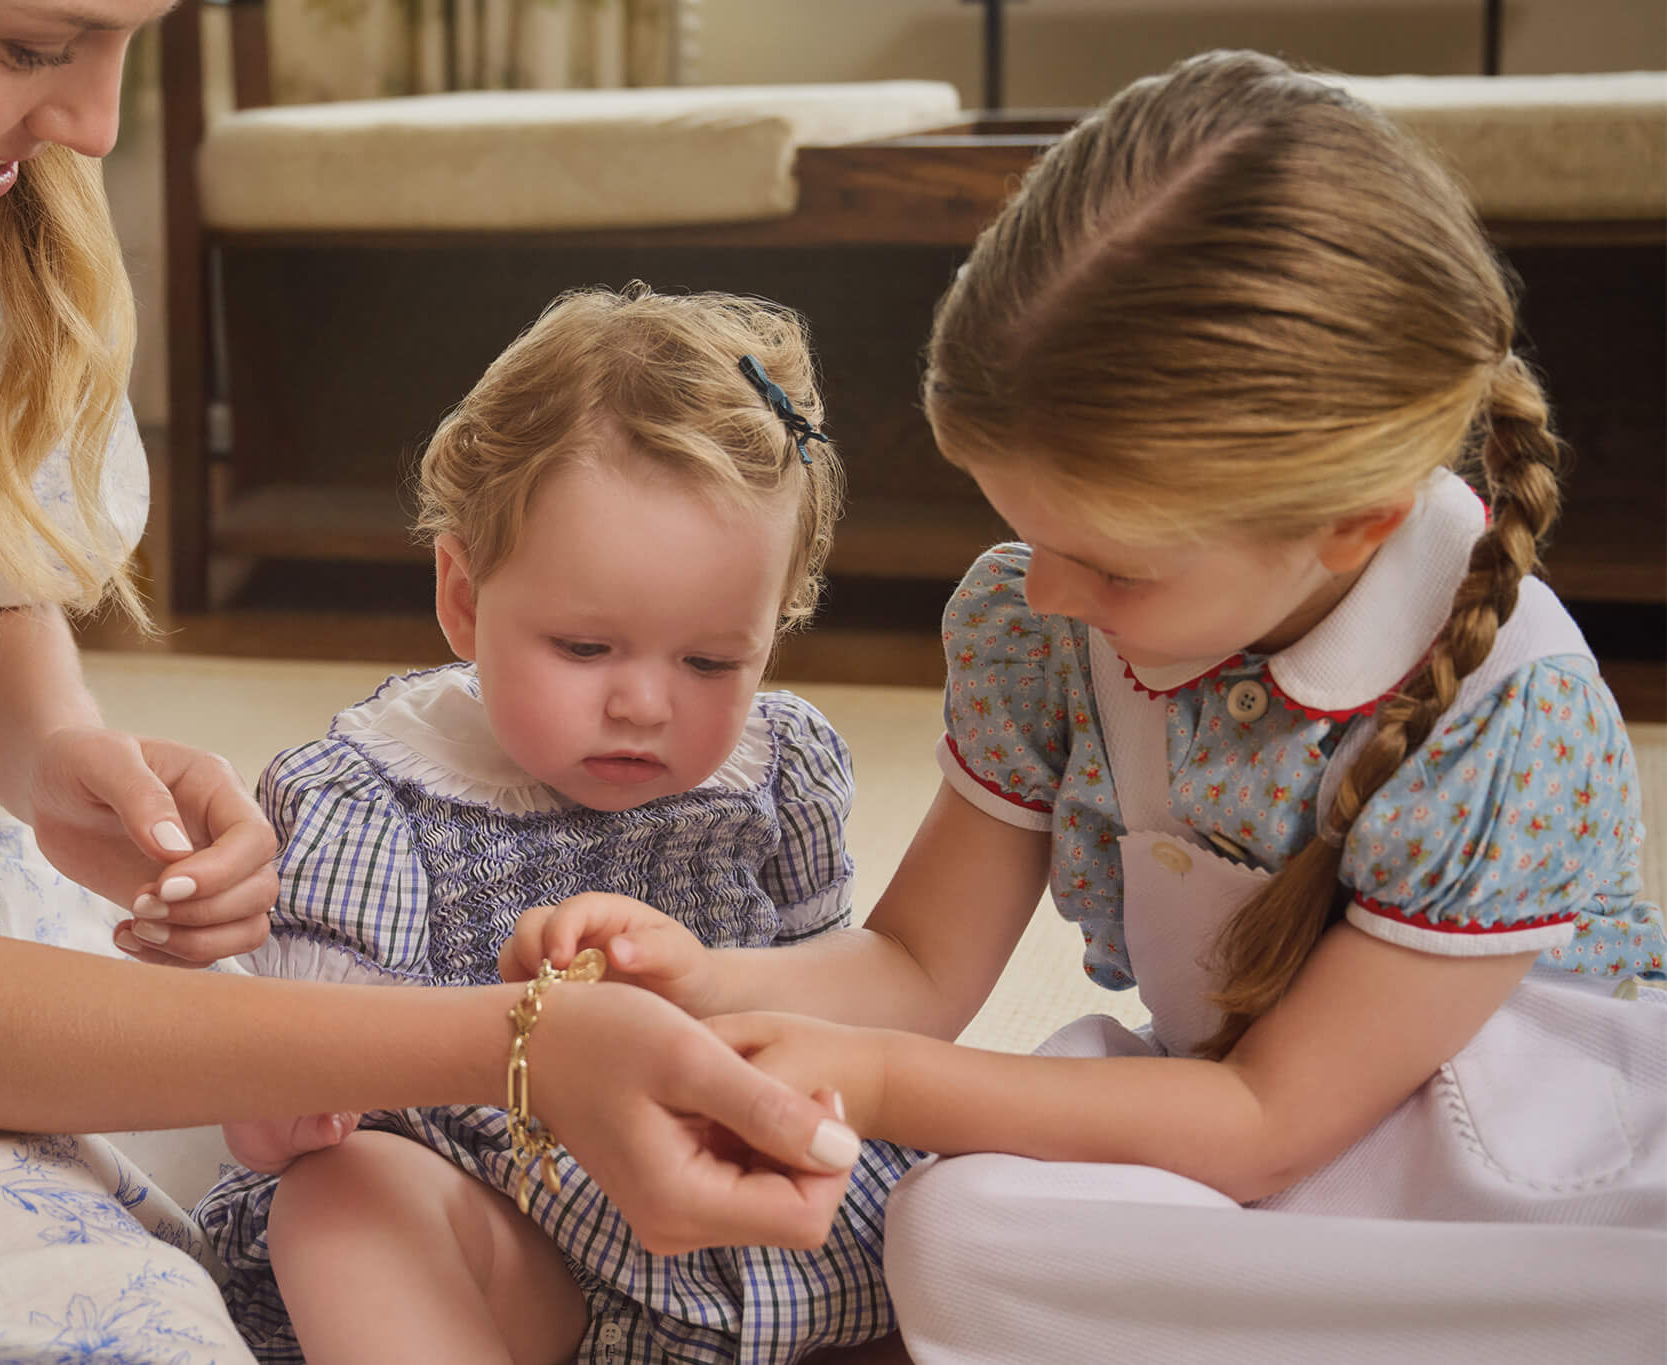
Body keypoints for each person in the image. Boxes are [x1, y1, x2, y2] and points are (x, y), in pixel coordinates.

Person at [0, 5, 862, 1360]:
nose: (96, 128)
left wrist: (51, 750)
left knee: (235, 1157)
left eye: (130, 44)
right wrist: (517, 1045)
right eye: (34, 48)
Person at [511, 51, 1667, 1363]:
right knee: (955, 1231)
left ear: (1352, 524)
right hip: (1233, 1144)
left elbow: (1265, 1122)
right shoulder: (1047, 625)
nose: (1049, 591)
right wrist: (707, 980)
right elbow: (918, 967)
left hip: (1517, 1173)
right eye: (1031, 534)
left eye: (1114, 566)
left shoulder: (1511, 717)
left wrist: (876, 1081)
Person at [192, 285, 922, 1365]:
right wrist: (282, 1115)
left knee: (969, 1212)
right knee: (343, 1200)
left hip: (751, 1230)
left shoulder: (780, 769)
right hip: (515, 1245)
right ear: (463, 599)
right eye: (585, 648)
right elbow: (301, 1060)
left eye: (711, 660)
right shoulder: (372, 797)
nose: (643, 703)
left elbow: (839, 990)